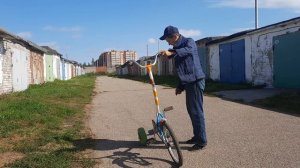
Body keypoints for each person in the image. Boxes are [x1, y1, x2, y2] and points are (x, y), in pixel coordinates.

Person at [159, 25, 207, 151]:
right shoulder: (177, 47)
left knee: (197, 112)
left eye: (167, 39)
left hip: (196, 81)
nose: (167, 42)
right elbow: (183, 69)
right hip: (189, 82)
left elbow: (188, 51)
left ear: (174, 36)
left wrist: (171, 52)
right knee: (192, 111)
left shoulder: (189, 42)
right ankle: (197, 137)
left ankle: (201, 141)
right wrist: (180, 86)